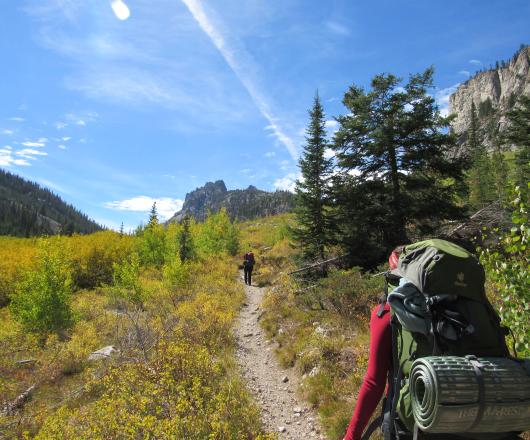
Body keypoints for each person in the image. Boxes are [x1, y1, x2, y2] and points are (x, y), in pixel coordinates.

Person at [343, 249, 400, 440]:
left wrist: (352, 436)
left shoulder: (386, 314)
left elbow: (374, 382)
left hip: (410, 419)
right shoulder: (458, 310)